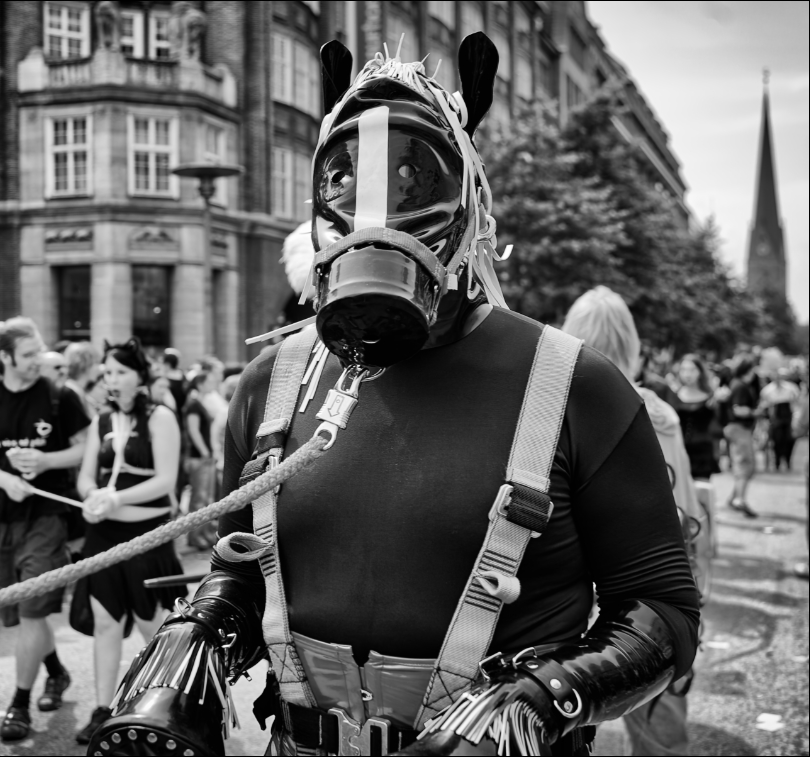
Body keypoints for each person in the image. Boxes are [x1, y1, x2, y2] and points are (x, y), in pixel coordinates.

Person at [93, 36, 699, 756]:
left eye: (415, 180)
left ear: (468, 202)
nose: (375, 215)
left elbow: (662, 608)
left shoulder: (577, 385)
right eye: (346, 183)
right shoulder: (273, 381)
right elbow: (246, 566)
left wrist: (537, 703)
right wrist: (196, 646)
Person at [562, 287, 702, 757]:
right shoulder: (657, 414)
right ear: (633, 343)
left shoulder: (548, 408)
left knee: (558, 703)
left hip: (565, 585)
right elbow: (684, 516)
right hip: (639, 583)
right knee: (654, 698)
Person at [0, 317, 91, 742]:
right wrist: (5, 480)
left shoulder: (61, 397)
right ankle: (56, 672)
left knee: (33, 609)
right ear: (4, 358)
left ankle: (19, 703)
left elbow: (87, 446)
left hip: (49, 518)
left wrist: (47, 462)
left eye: (39, 352)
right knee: (22, 616)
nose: (38, 361)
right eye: (29, 355)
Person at [71, 338, 184, 744]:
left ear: (139, 377)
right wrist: (91, 497)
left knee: (152, 624)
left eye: (119, 371)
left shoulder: (160, 417)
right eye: (107, 372)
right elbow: (86, 475)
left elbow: (165, 480)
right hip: (103, 536)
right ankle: (103, 707)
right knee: (105, 620)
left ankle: (170, 708)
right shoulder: (100, 422)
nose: (111, 379)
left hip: (146, 536)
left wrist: (117, 496)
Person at [181, 372, 216, 550]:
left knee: (206, 499)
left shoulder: (200, 402)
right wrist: (204, 451)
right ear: (200, 384)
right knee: (198, 499)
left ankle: (205, 533)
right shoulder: (193, 404)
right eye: (209, 381)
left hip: (204, 455)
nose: (213, 384)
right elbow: (193, 430)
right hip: (197, 456)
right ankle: (195, 536)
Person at [671, 354, 720, 482]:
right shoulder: (672, 396)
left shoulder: (712, 397)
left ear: (700, 371)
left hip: (702, 452)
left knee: (701, 493)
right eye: (683, 370)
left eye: (692, 370)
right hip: (678, 451)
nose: (687, 374)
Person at [724, 355, 760, 517]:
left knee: (743, 463)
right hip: (739, 428)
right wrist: (756, 412)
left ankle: (734, 497)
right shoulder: (741, 386)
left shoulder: (736, 384)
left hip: (737, 428)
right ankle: (739, 499)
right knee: (745, 464)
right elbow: (738, 409)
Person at [760, 368, 801, 472]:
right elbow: (764, 406)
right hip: (776, 417)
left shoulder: (791, 388)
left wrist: (796, 418)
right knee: (777, 440)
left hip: (788, 416)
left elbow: (796, 404)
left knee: (789, 440)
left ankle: (787, 460)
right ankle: (777, 462)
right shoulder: (767, 390)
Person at [64, 342, 100, 415]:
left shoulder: (79, 392)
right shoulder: (71, 393)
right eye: (96, 363)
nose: (98, 368)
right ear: (84, 365)